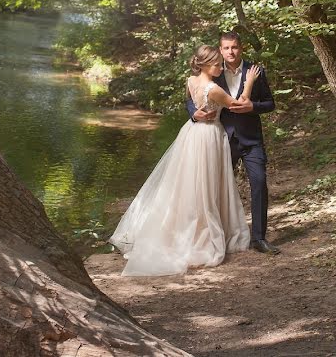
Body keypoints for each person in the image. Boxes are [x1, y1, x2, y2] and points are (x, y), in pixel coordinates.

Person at [109, 45, 261, 276]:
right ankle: (202, 232)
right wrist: (249, 82)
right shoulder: (213, 89)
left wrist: (197, 112)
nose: (220, 67)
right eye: (217, 64)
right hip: (209, 136)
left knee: (187, 184)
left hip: (191, 134)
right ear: (206, 65)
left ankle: (185, 227)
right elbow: (238, 105)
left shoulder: (190, 80)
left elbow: (192, 101)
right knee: (205, 186)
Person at [186, 32, 279, 254]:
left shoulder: (255, 71)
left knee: (259, 183)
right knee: (214, 187)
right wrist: (194, 114)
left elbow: (270, 103)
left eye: (234, 47)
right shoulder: (213, 70)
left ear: (241, 47)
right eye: (226, 48)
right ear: (220, 49)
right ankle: (217, 235)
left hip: (251, 139)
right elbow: (191, 100)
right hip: (220, 140)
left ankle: (258, 238)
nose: (230, 52)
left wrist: (253, 107)